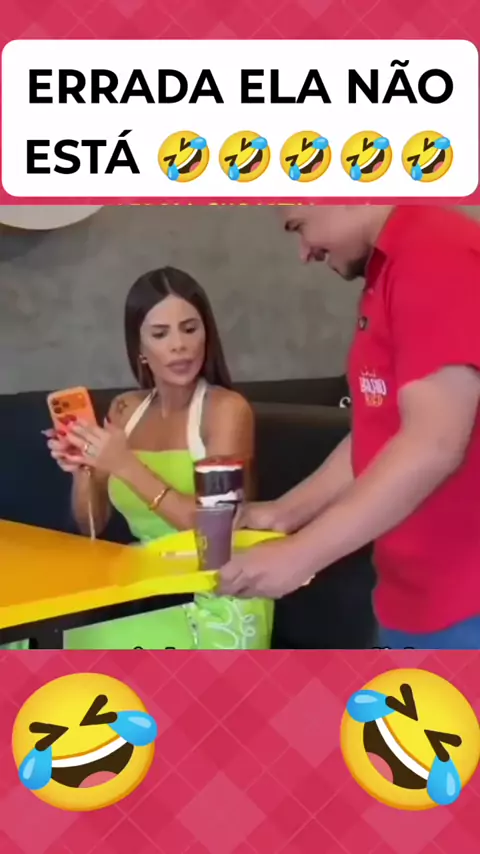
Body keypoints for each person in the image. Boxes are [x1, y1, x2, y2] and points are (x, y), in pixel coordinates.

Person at [218, 205, 480, 650]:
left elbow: (433, 442)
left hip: (466, 606)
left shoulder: (437, 253)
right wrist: (284, 513)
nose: (304, 252)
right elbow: (384, 430)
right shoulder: (391, 267)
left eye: (299, 227)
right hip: (412, 602)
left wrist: (299, 556)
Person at [46, 266, 273, 650]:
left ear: (207, 334)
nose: (179, 345)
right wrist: (85, 469)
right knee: (26, 638)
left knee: (83, 646)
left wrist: (125, 465)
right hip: (147, 585)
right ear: (139, 346)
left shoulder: (227, 409)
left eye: (190, 328)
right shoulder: (125, 409)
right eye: (160, 333)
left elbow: (215, 534)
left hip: (218, 591)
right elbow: (91, 524)